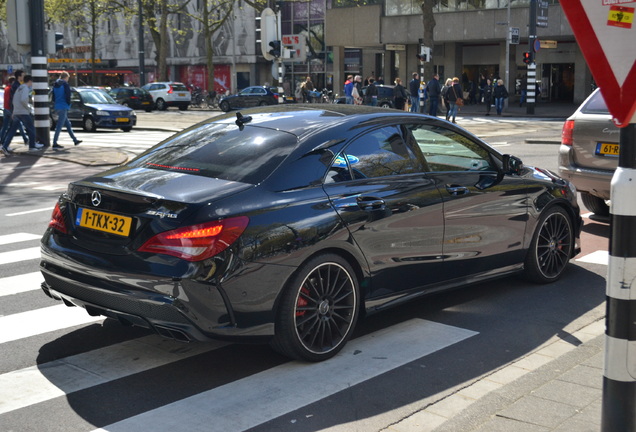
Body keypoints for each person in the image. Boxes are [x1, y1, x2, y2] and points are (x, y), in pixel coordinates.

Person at [2, 75, 42, 155]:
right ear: (30, 81)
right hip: (23, 112)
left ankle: (5, 146)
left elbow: (14, 100)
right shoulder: (25, 88)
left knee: (12, 130)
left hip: (17, 112)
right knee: (31, 128)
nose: (32, 84)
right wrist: (28, 108)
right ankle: (32, 146)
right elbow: (23, 99)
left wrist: (14, 112)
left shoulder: (19, 88)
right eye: (32, 82)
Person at [51, 72, 82, 149]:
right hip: (63, 106)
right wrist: (68, 104)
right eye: (68, 78)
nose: (68, 80)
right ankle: (54, 143)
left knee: (68, 124)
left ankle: (75, 140)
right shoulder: (65, 84)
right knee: (59, 126)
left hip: (57, 106)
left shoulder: (55, 85)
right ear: (66, 78)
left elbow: (53, 97)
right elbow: (68, 96)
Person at [0, 77, 29, 145]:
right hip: (10, 109)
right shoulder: (11, 89)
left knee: (5, 126)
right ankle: (25, 139)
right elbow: (11, 100)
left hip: (5, 108)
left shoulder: (6, 88)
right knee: (18, 124)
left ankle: (1, 140)